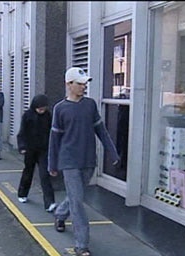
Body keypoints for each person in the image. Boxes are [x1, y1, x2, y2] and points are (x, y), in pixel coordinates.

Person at [48, 67, 120, 256]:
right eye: (79, 84)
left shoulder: (90, 105)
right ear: (68, 84)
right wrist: (52, 164)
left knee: (75, 197)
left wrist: (113, 152)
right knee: (78, 202)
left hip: (88, 160)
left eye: (85, 84)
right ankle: (82, 245)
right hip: (69, 161)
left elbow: (101, 131)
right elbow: (54, 139)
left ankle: (60, 214)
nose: (83, 87)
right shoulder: (60, 109)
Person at [17, 94, 57, 213]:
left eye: (43, 108)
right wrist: (22, 147)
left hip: (43, 149)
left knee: (45, 175)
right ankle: (22, 193)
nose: (41, 110)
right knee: (28, 171)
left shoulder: (48, 116)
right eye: (39, 108)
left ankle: (49, 202)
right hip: (30, 149)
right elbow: (22, 132)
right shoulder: (27, 115)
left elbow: (52, 131)